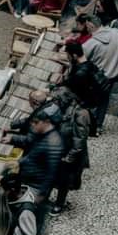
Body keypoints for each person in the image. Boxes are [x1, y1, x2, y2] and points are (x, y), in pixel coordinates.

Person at [82, 14, 118, 134]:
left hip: (96, 78)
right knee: (103, 101)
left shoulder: (91, 43)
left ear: (91, 25)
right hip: (112, 76)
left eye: (87, 26)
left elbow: (81, 59)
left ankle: (87, 125)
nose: (86, 29)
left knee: (89, 101)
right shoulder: (116, 33)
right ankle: (98, 126)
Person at [11, 105, 63, 204]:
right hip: (29, 181)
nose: (33, 125)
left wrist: (41, 194)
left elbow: (51, 172)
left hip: (36, 186)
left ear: (46, 122)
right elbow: (33, 155)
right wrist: (19, 162)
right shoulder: (43, 136)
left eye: (36, 122)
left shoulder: (53, 143)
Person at [49, 87, 90, 215]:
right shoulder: (62, 109)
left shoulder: (80, 114)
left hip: (70, 155)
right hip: (60, 150)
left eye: (56, 99)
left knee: (64, 181)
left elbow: (80, 140)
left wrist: (69, 157)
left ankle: (59, 204)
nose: (54, 102)